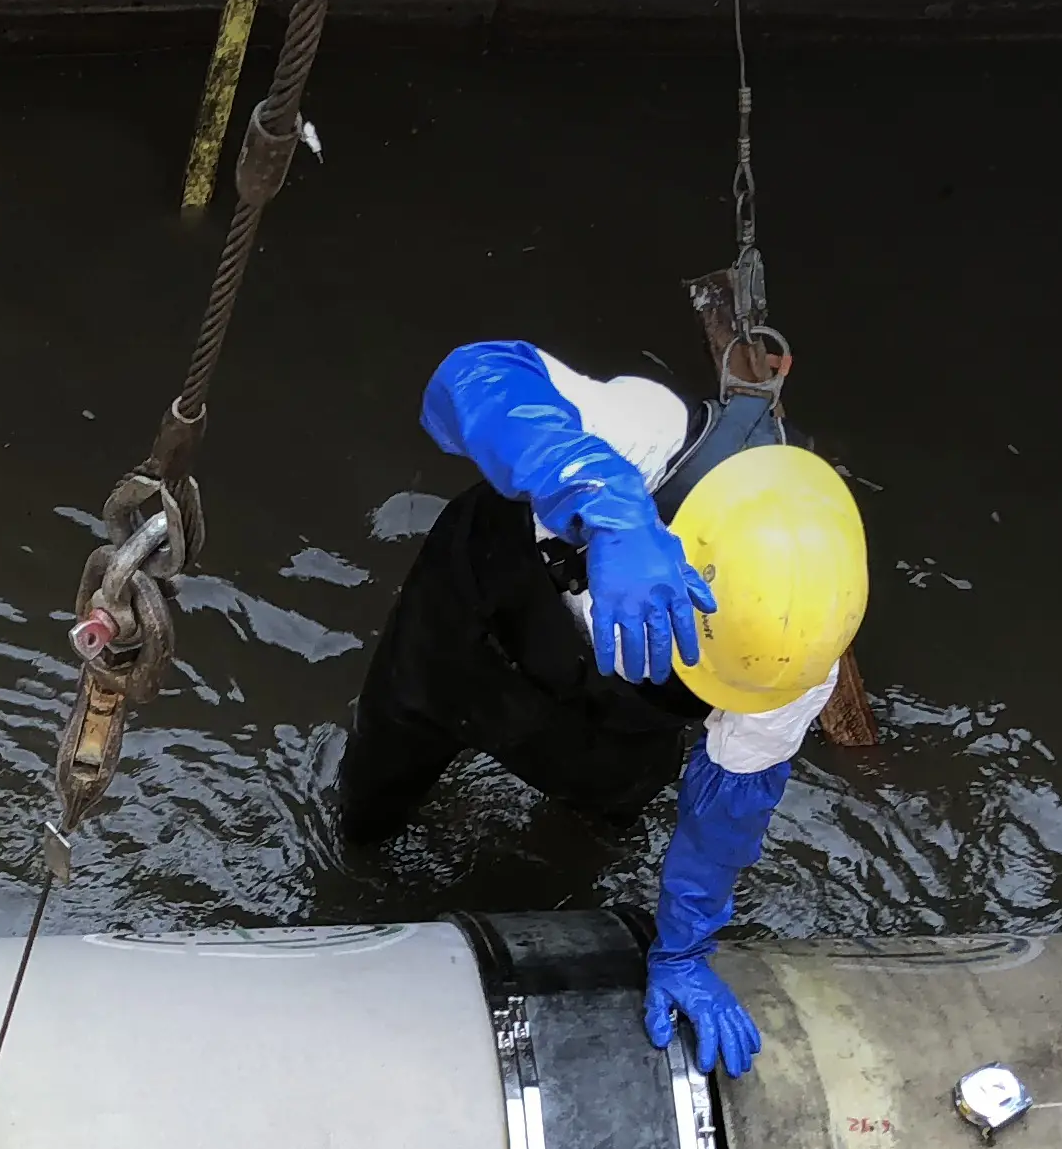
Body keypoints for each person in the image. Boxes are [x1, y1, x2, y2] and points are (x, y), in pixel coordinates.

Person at [341, 337, 866, 1072]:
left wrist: (683, 951)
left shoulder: (794, 656)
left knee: (595, 829)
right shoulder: (647, 435)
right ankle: (355, 861)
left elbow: (727, 811)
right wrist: (606, 502)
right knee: (374, 795)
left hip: (618, 718)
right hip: (472, 619)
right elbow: (467, 379)